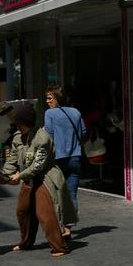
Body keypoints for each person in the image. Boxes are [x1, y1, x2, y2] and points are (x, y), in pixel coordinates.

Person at [3, 102, 77, 257]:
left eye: (19, 123)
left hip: (45, 178)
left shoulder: (42, 138)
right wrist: (5, 175)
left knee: (45, 214)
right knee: (22, 211)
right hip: (28, 179)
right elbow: (12, 160)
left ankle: (59, 246)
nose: (17, 126)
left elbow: (38, 166)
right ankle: (26, 242)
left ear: (26, 123)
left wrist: (19, 176)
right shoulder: (17, 137)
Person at [44, 84, 86, 237]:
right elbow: (83, 132)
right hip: (75, 157)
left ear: (56, 98)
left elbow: (48, 135)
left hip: (57, 159)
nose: (47, 101)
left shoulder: (50, 114)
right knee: (72, 194)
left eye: (49, 98)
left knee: (56, 194)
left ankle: (61, 227)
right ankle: (69, 228)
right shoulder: (76, 112)